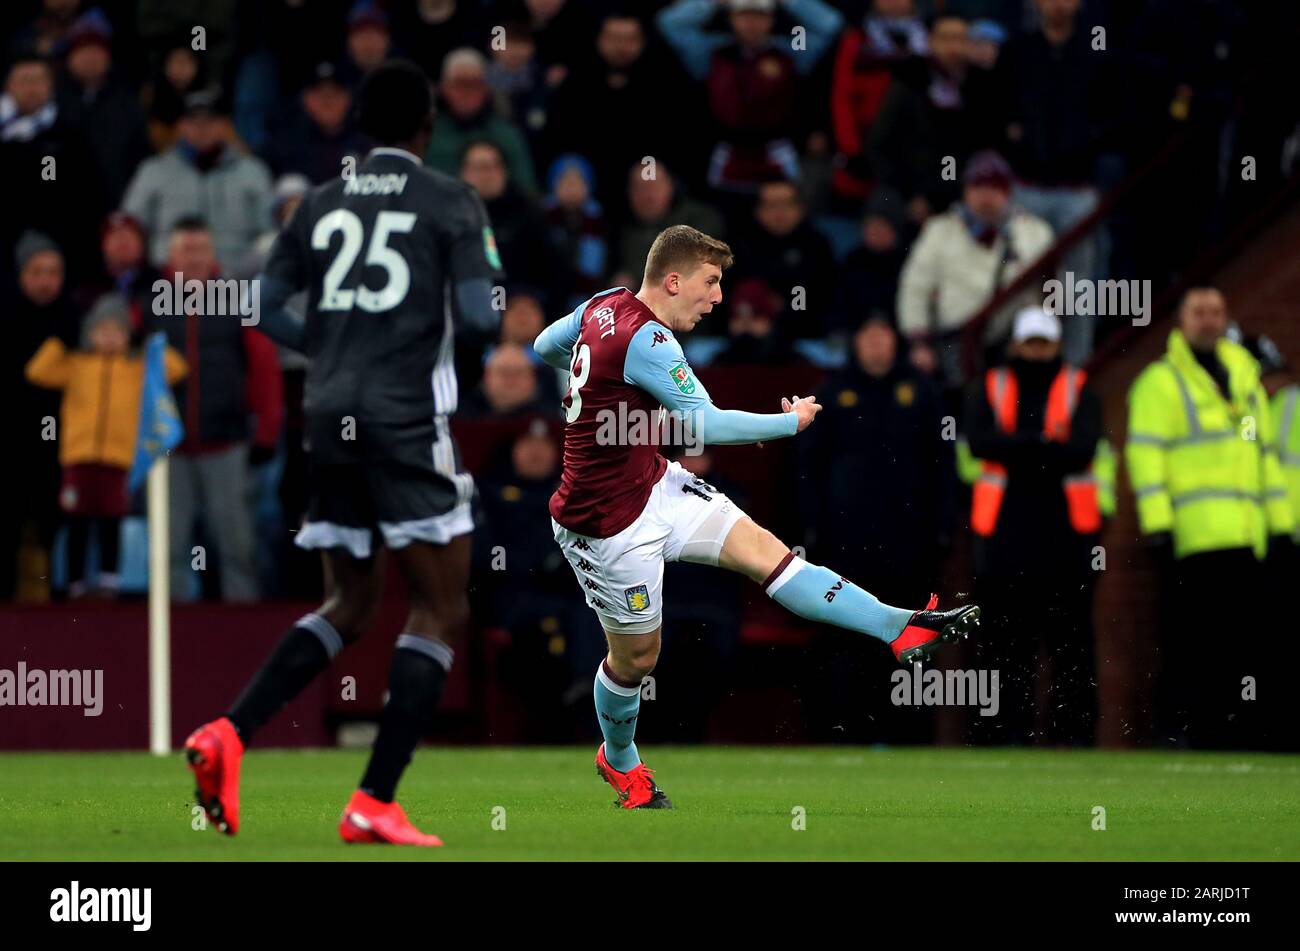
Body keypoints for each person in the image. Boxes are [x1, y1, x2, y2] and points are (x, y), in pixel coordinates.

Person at [533, 224, 980, 808]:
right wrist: (787, 424)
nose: (718, 298)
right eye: (711, 283)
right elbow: (708, 425)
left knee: (768, 553)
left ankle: (895, 626)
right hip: (604, 526)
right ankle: (618, 759)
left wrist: (584, 390)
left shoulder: (601, 305)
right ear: (673, 280)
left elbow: (544, 345)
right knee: (638, 659)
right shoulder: (649, 340)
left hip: (654, 482)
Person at [183, 60, 500, 846]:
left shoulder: (320, 202)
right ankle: (374, 799)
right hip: (404, 419)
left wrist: (332, 341)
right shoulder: (451, 199)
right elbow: (481, 317)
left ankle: (229, 731)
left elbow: (259, 304)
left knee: (350, 603)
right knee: (441, 603)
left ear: (363, 129)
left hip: (328, 416)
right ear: (427, 129)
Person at [1126, 288, 1293, 749]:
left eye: (1217, 312)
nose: (1209, 320)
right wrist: (1158, 524)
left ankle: (1232, 732)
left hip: (1246, 534)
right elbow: (1146, 457)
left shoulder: (1243, 372)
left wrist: (1279, 526)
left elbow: (1262, 455)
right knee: (1189, 643)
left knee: (1243, 645)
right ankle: (1179, 731)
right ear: (1180, 320)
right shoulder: (1159, 382)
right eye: (1199, 312)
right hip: (1193, 537)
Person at [964, 307, 1101, 745]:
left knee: (1071, 642)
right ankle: (1000, 734)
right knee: (1003, 642)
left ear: (1057, 344)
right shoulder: (989, 385)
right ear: (1016, 345)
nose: (1037, 351)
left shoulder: (1081, 388)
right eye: (1031, 342)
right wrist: (1044, 445)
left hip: (1067, 539)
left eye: (1044, 342)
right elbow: (979, 441)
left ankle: (1073, 735)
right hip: (1003, 539)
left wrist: (1016, 448)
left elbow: (1082, 449)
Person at [24, 294, 187, 598]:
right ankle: (74, 583)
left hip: (118, 459)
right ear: (89, 333)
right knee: (77, 520)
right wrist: (60, 338)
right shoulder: (76, 364)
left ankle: (110, 581)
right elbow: (37, 372)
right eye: (102, 330)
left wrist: (151, 342)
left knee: (112, 521)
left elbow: (176, 370)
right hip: (78, 457)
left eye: (118, 331)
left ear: (128, 335)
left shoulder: (136, 369)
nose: (110, 337)